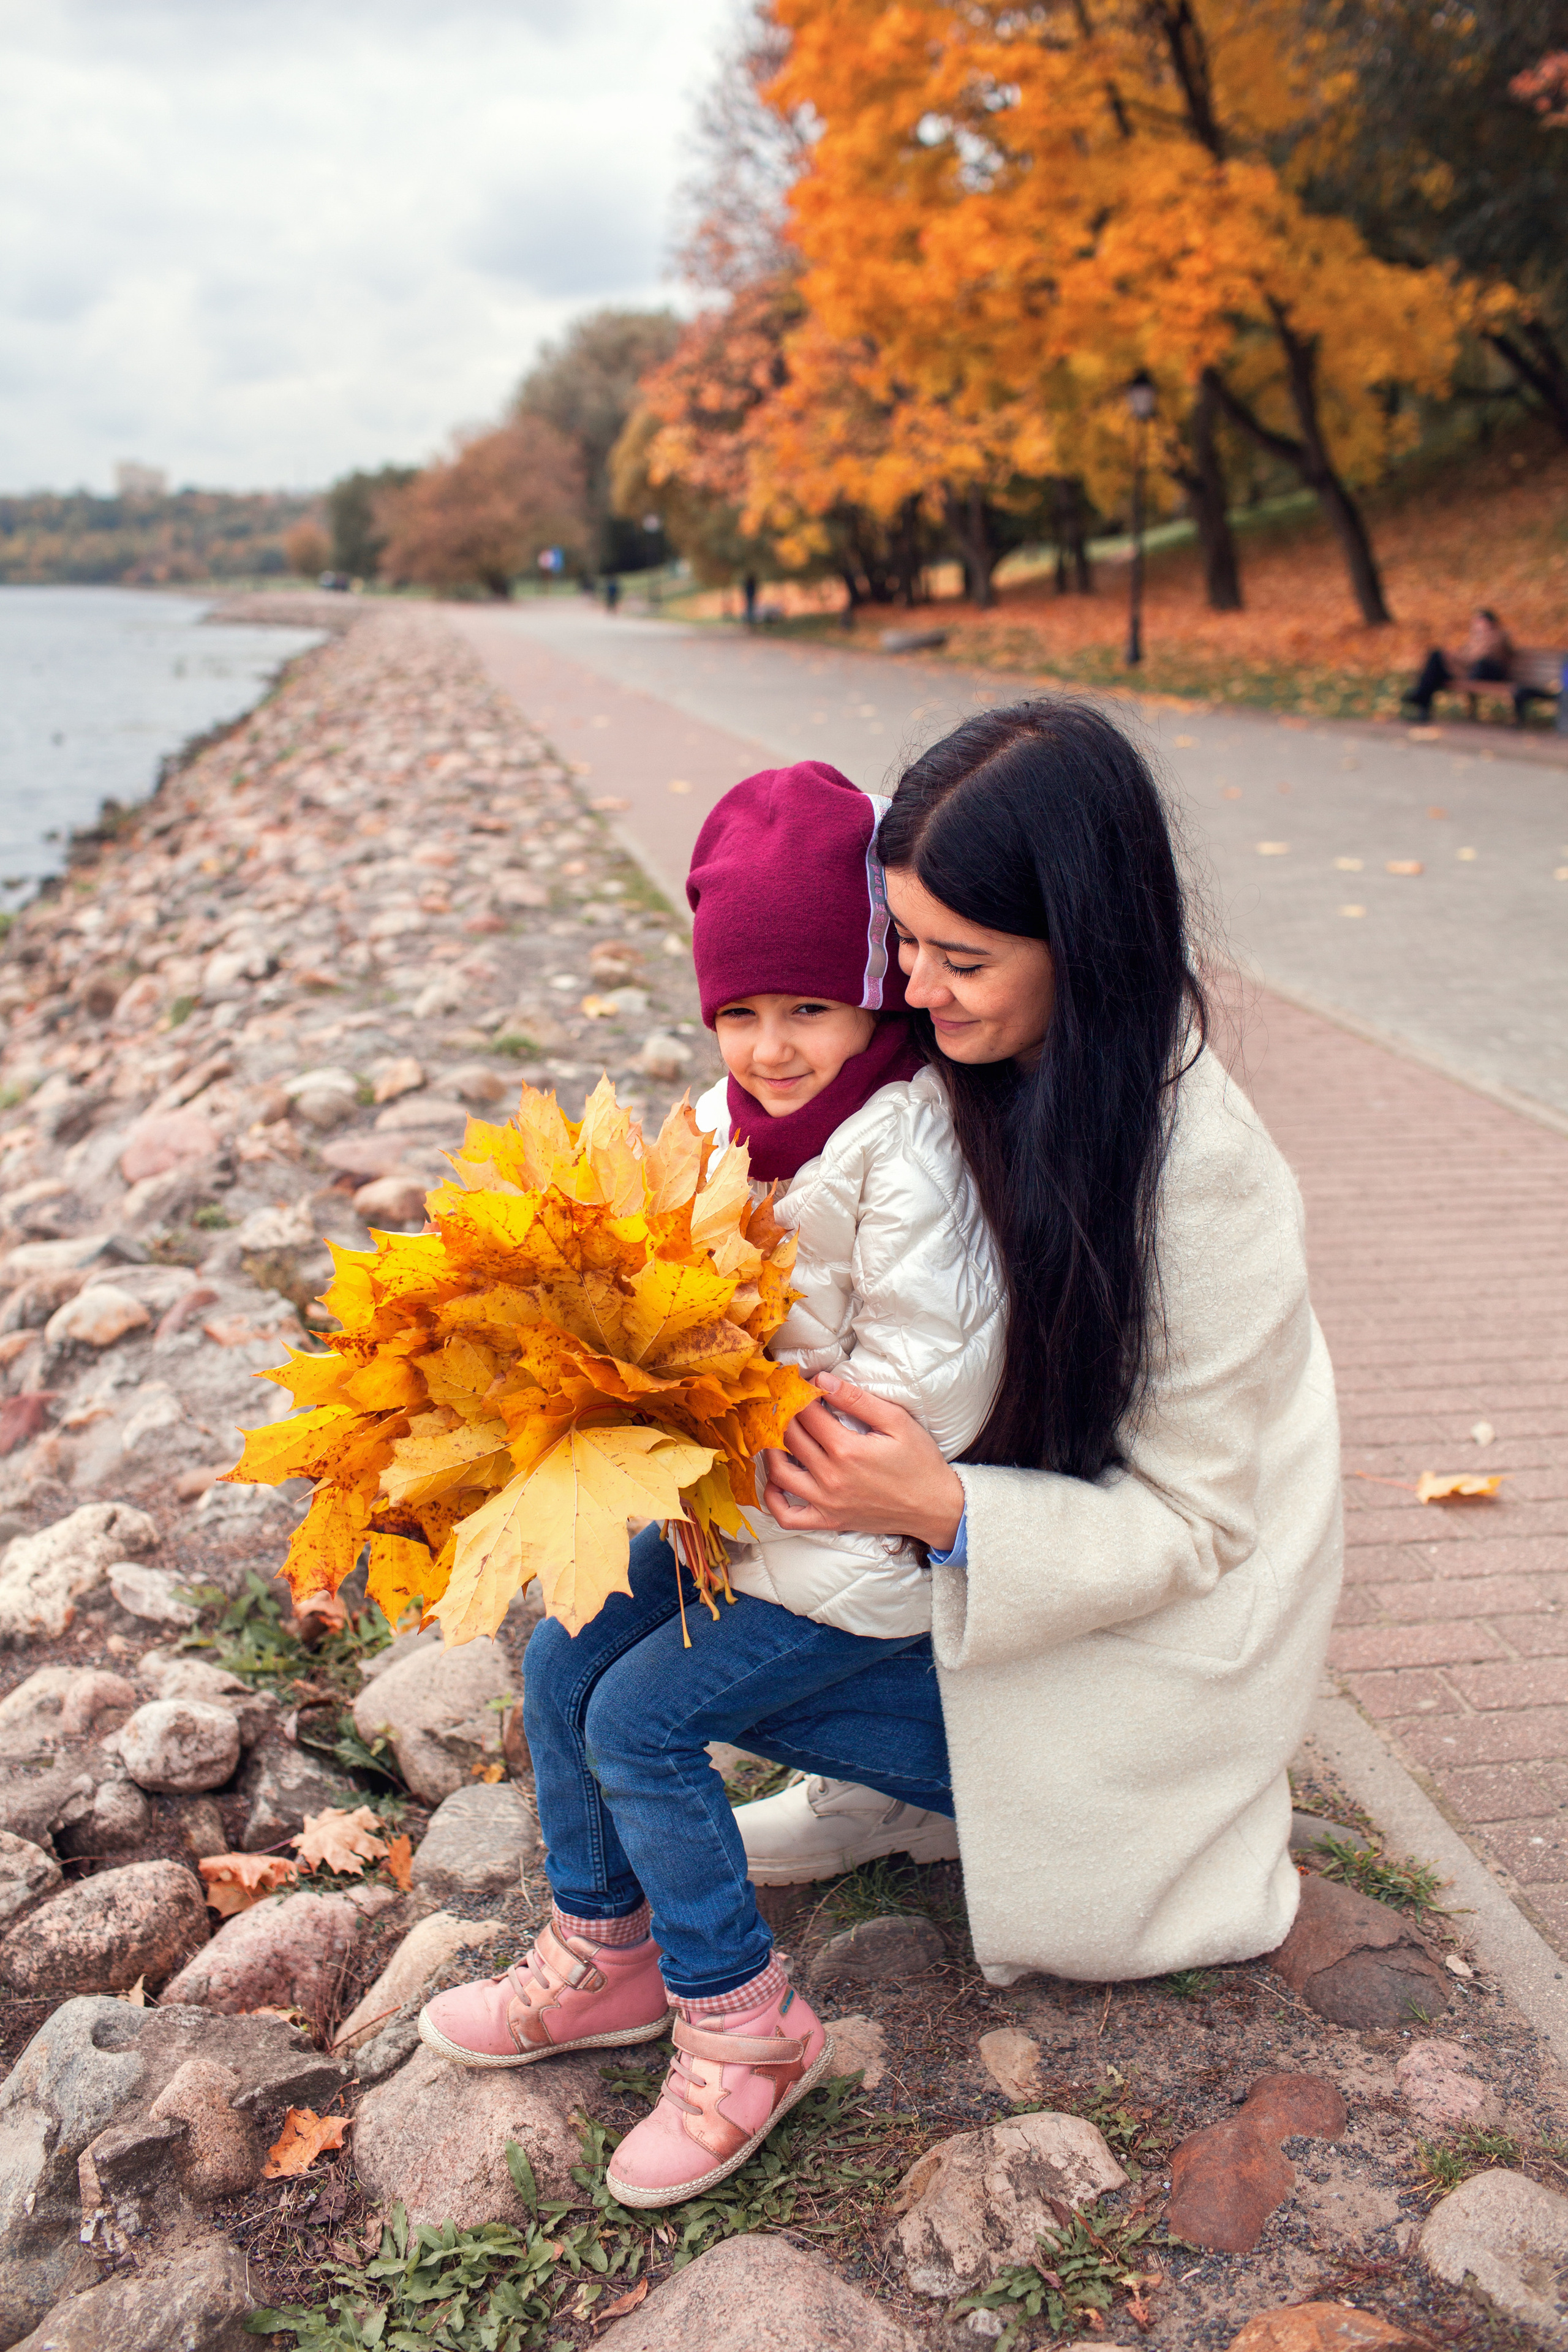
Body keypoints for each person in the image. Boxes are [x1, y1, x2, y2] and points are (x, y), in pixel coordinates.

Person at [420, 760, 1006, 2209]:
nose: (772, 1044)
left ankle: (742, 2021)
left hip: (849, 1538)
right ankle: (608, 1943)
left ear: (873, 992)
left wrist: (728, 1411)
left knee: (641, 1713)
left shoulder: (910, 1149)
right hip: (727, 1512)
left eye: (807, 1005)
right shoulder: (713, 1127)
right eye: (739, 1012)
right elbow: (655, 1296)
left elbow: (927, 1390)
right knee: (559, 1659)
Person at [732, 702, 1343, 1997]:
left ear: (1082, 943)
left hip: (1152, 1645)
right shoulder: (983, 1060)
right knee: (649, 1602)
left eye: (956, 956)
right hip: (1012, 1571)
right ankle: (893, 1791)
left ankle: (905, 1819)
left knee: (672, 1693)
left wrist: (939, 1508)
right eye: (897, 940)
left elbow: (1193, 1529)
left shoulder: (1203, 1177)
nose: (910, 987)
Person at [1404, 607, 1515, 719]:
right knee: (1435, 670)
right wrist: (1453, 655)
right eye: (1475, 621)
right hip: (1471, 672)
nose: (1475, 624)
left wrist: (1452, 656)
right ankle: (1422, 707)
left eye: (1478, 621)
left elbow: (1474, 658)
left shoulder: (1496, 636)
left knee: (1437, 659)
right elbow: (1466, 655)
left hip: (1484, 674)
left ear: (1489, 622)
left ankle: (1420, 696)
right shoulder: (1478, 638)